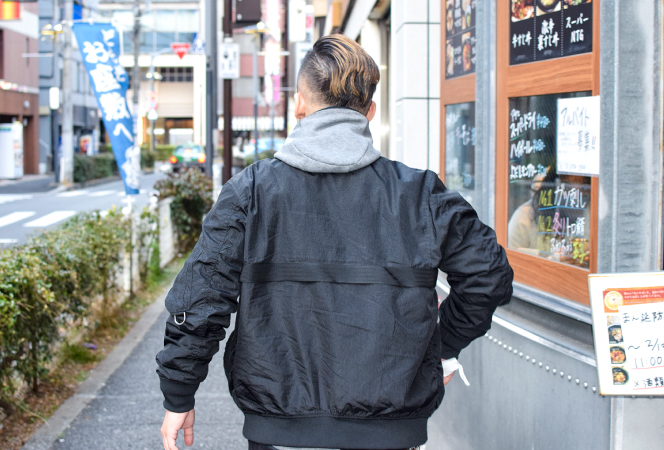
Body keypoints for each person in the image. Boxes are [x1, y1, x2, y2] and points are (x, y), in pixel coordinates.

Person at [156, 34, 513, 450]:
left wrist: (179, 392)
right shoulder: (420, 195)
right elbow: (488, 275)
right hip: (390, 431)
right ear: (370, 111)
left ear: (299, 106)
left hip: (280, 429)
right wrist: (440, 344)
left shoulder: (252, 191)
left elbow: (201, 298)